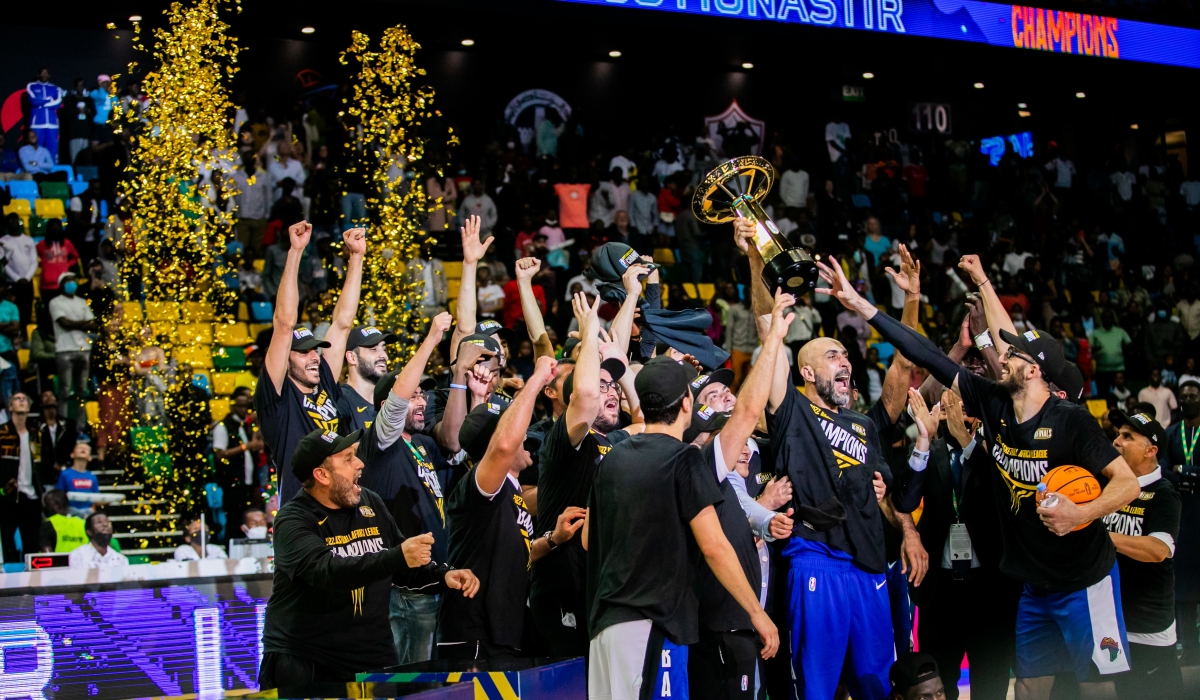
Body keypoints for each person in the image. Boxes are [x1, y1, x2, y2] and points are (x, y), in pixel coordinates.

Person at [829, 253, 1141, 699]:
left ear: (1034, 370)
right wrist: (862, 305)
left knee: (1097, 687)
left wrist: (1082, 512)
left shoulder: (1072, 421)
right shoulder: (994, 402)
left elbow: (1127, 484)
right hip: (1036, 583)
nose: (1000, 355)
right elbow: (926, 354)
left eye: (1012, 354)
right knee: (1030, 687)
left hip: (1083, 579)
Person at [584, 355, 779, 700]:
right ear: (688, 403)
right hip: (654, 625)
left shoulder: (611, 458)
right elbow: (714, 547)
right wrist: (756, 613)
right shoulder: (683, 458)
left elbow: (588, 539)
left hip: (605, 627)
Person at [259, 428, 479, 690]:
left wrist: (443, 576)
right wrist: (397, 556)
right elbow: (327, 571)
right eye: (348, 458)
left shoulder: (370, 502)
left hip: (371, 657)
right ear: (321, 475)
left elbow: (403, 568)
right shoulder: (293, 519)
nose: (360, 463)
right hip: (309, 660)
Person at [689, 290, 797, 700]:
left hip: (761, 618)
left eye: (728, 393)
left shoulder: (764, 448)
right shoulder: (700, 460)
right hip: (723, 620)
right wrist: (764, 513)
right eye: (712, 397)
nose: (728, 398)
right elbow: (737, 497)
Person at [439, 356, 581, 660]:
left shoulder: (510, 490)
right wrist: (537, 378)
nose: (525, 438)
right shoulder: (479, 486)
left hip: (504, 628)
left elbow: (517, 551)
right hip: (474, 631)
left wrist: (553, 539)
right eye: (517, 431)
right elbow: (503, 445)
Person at [532, 289, 645, 657]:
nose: (609, 392)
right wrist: (589, 328)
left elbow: (647, 423)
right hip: (563, 587)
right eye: (601, 385)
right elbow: (582, 395)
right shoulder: (565, 438)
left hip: (600, 586)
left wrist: (621, 372)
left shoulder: (612, 439)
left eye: (611, 387)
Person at [358, 313, 457, 664]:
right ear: (387, 408)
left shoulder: (423, 446)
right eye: (413, 396)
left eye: (422, 395)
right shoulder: (379, 445)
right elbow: (397, 401)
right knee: (411, 687)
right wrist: (431, 340)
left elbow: (458, 440)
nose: (422, 402)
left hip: (438, 581)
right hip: (407, 591)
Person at [255, 221, 366, 505]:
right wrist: (295, 252)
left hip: (343, 505)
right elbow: (283, 323)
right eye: (303, 352)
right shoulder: (277, 399)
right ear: (285, 360)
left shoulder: (324, 382)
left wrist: (356, 257)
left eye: (315, 351)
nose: (315, 357)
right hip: (305, 515)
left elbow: (342, 324)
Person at [1105, 411, 1183, 698]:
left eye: (1127, 437)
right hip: (1111, 621)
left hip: (1149, 627)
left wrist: (1104, 537)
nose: (1117, 441)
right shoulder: (1108, 485)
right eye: (1118, 434)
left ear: (1151, 450)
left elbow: (1158, 550)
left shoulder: (1164, 493)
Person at [1164, 379, 1200, 664]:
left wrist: (1184, 470)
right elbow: (1163, 470)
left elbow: (1176, 469)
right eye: (1184, 395)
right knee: (1185, 590)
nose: (1188, 399)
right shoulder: (1171, 432)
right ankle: (1188, 649)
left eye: (1193, 395)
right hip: (1183, 520)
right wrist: (1188, 476)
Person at [213, 389, 264, 539]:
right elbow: (220, 454)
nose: (243, 410)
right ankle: (231, 554)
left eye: (246, 406)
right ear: (232, 406)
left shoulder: (246, 426)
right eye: (240, 406)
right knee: (234, 520)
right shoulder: (222, 426)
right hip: (231, 483)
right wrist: (246, 446)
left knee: (249, 520)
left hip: (248, 481)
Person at [0, 392, 43, 564]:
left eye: (24, 399)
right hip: (8, 496)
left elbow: (42, 462)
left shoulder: (36, 433)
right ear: (10, 407)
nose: (21, 401)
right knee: (7, 539)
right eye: (17, 399)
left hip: (31, 496)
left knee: (32, 541)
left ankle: (31, 583)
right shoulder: (2, 433)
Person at [48, 272, 94, 418]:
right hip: (64, 349)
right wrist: (82, 324)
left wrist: (75, 324)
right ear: (61, 285)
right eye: (68, 281)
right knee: (65, 391)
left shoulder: (82, 302)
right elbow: (64, 323)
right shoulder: (55, 302)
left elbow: (92, 324)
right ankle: (63, 423)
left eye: (74, 281)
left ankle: (80, 426)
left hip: (84, 349)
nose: (72, 284)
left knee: (82, 392)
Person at [337, 325, 398, 432]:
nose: (384, 356)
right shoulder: (340, 402)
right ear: (352, 357)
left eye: (384, 349)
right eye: (373, 349)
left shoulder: (390, 403)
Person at [0, 214, 38, 327]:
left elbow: (34, 261)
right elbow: (3, 264)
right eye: (11, 221)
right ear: (7, 225)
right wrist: (17, 279)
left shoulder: (28, 240)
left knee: (26, 310)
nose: (14, 223)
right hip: (11, 282)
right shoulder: (2, 241)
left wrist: (26, 278)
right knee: (13, 310)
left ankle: (25, 335)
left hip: (27, 282)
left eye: (15, 220)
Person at [37, 391, 76, 485]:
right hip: (43, 475)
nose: (49, 397)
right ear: (41, 403)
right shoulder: (35, 426)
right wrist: (50, 465)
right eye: (45, 396)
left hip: (65, 471)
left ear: (57, 401)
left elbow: (72, 447)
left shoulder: (69, 425)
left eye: (51, 395)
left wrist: (64, 464)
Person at [26, 68, 64, 163]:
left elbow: (58, 104)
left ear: (49, 75)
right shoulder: (32, 86)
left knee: (52, 150)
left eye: (46, 73)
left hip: (52, 124)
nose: (44, 74)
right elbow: (34, 102)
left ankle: (53, 173)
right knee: (35, 149)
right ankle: (34, 172)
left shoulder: (55, 88)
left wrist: (41, 102)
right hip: (37, 124)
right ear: (38, 75)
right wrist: (49, 100)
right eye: (42, 73)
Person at [56, 442, 99, 513]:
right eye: (79, 447)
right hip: (70, 510)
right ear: (72, 455)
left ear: (90, 458)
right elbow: (59, 495)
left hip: (87, 511)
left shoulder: (92, 477)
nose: (83, 448)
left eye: (86, 449)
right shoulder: (65, 474)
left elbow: (96, 498)